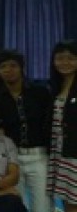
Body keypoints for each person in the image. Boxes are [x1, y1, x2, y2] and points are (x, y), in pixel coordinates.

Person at [0, 50, 51, 212]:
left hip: (39, 156)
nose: (8, 70)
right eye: (3, 66)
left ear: (21, 68)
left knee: (43, 206)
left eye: (13, 65)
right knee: (17, 204)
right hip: (11, 159)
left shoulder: (40, 92)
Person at [49, 40, 77, 212]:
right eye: (60, 58)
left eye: (71, 58)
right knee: (68, 199)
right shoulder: (54, 86)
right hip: (60, 150)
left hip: (75, 152)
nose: (65, 62)